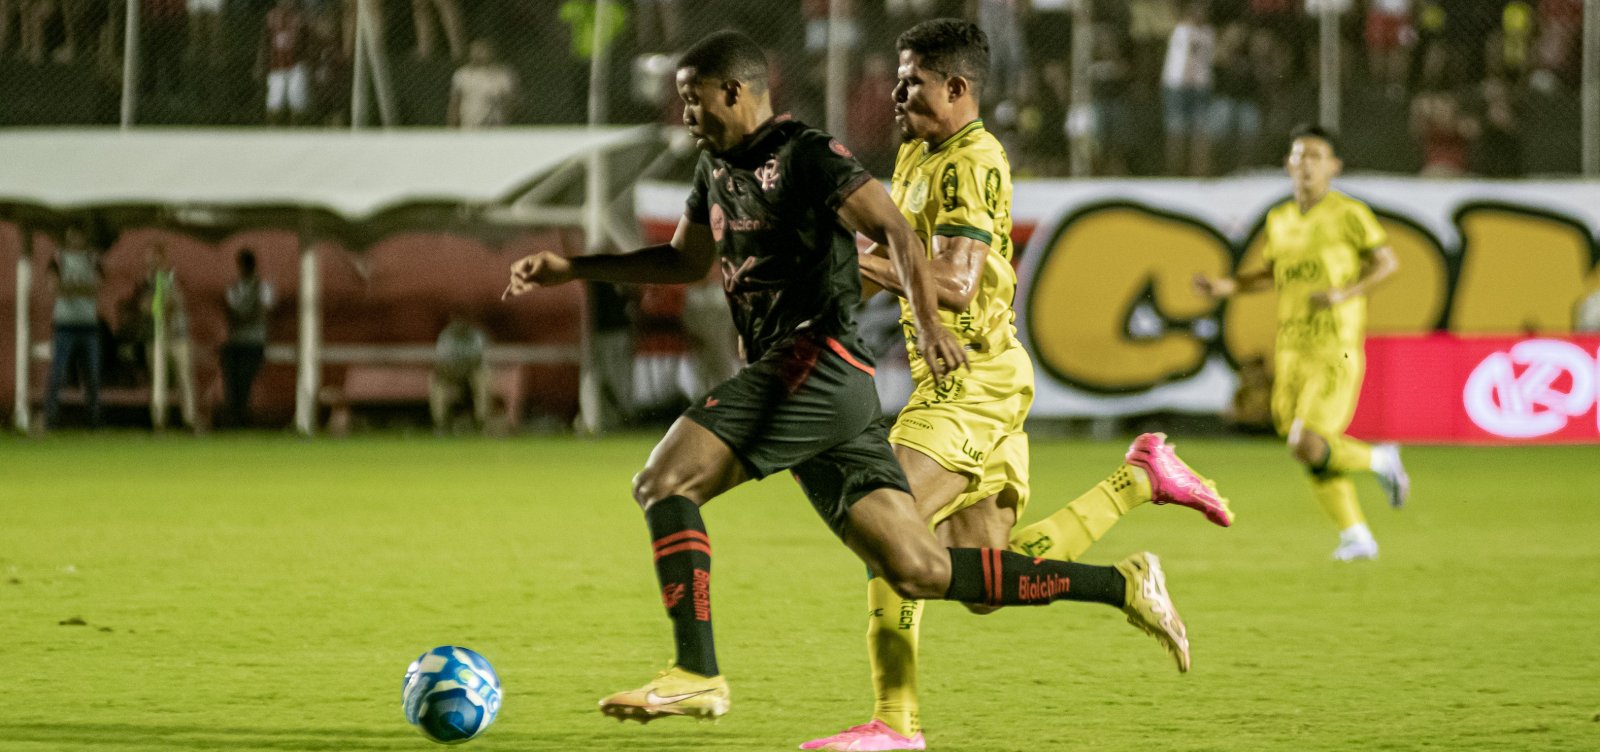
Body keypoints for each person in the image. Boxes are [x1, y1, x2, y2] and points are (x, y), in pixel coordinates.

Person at [505, 30, 1190, 727]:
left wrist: (916, 317)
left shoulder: (816, 153)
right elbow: (686, 262)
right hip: (873, 381)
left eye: (692, 98)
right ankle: (1120, 579)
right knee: (923, 568)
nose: (682, 113)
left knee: (665, 479)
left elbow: (910, 248)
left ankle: (717, 678)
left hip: (843, 367)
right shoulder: (725, 167)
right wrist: (575, 269)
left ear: (735, 91)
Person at [802, 21, 1233, 751]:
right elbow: (888, 257)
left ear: (957, 87)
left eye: (912, 80)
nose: (897, 91)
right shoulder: (915, 154)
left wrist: (843, 260)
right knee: (981, 582)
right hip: (977, 379)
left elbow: (956, 286)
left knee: (893, 533)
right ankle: (1136, 489)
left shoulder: (971, 160)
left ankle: (896, 727)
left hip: (968, 381)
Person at [1196, 125, 1411, 562]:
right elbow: (1274, 273)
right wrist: (1228, 287)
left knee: (1306, 440)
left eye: (1316, 156)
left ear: (1334, 167)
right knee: (1310, 449)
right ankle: (1356, 535)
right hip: (1291, 347)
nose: (1306, 164)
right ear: (1288, 165)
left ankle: (1381, 460)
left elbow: (1388, 263)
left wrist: (1345, 293)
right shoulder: (1280, 219)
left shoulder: (1349, 213)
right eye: (1299, 156)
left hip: (1336, 345)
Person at [43, 223, 104, 430]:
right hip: (64, 325)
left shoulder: (93, 259)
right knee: (57, 373)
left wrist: (70, 287)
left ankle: (93, 421)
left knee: (92, 376)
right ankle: (50, 418)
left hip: (88, 326)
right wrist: (80, 287)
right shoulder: (58, 258)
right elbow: (54, 288)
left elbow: (97, 288)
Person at [139, 243, 198, 431]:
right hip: (156, 336)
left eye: (156, 258)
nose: (152, 262)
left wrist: (160, 307)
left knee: (185, 378)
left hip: (178, 335)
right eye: (149, 258)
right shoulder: (146, 282)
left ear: (164, 258)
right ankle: (159, 421)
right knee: (158, 380)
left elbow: (175, 303)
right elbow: (144, 306)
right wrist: (160, 307)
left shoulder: (173, 278)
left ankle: (189, 419)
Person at [221, 248, 274, 428]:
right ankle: (235, 416)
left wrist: (244, 314)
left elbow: (261, 311)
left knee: (244, 381)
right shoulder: (237, 287)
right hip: (237, 341)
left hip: (253, 341)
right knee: (232, 382)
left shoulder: (261, 287)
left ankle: (241, 417)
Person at [429, 314, 490, 433]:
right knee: (435, 380)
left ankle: (481, 421)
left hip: (470, 373)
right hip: (451, 374)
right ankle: (440, 423)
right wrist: (451, 375)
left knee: (481, 377)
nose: (460, 324)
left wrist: (464, 373)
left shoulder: (475, 336)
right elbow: (441, 362)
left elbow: (477, 360)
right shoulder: (446, 336)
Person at [260, 0, 310, 126]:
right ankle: (273, 129)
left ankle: (298, 129)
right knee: (275, 103)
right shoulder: (271, 16)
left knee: (298, 102)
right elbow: (265, 41)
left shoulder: (300, 17)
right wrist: (260, 63)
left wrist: (307, 62)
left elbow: (307, 41)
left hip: (297, 64)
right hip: (277, 64)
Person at [447, 39, 518, 129]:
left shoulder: (504, 74)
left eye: (482, 50)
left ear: (491, 51)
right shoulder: (462, 74)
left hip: (497, 129)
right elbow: (455, 104)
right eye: (475, 50)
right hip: (470, 128)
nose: (477, 53)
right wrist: (452, 128)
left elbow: (513, 102)